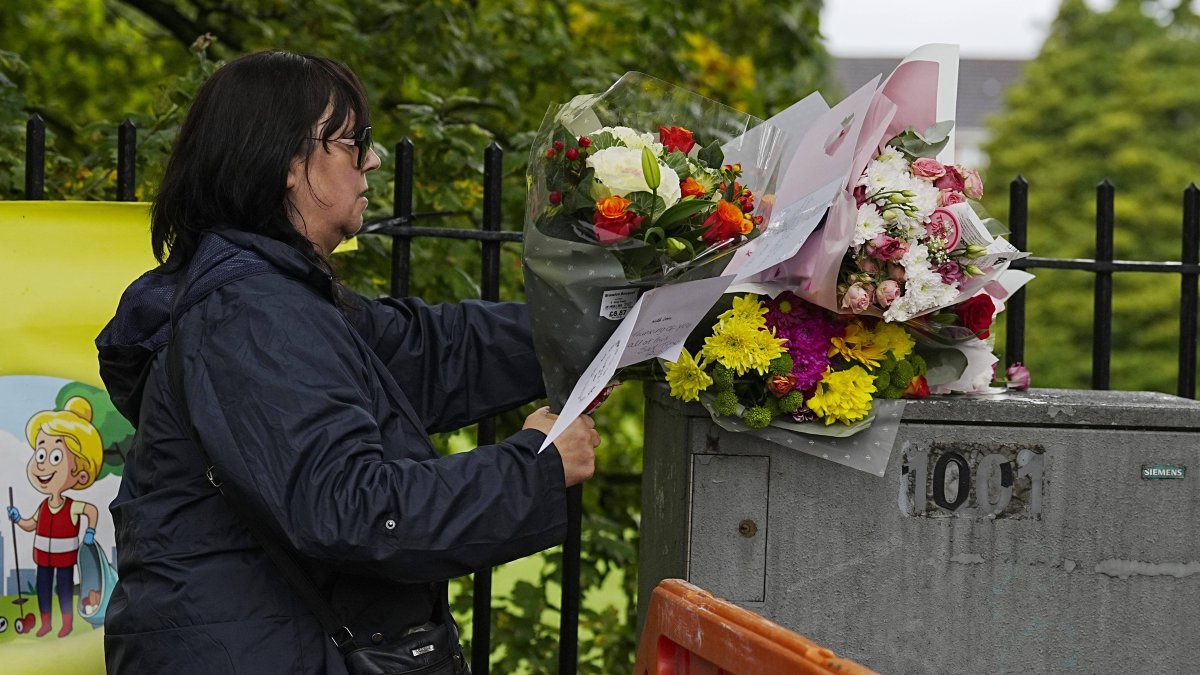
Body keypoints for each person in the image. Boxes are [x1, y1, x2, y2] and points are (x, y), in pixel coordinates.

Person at [95, 50, 598, 674]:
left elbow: (432, 353)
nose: (373, 160)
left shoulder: (278, 299)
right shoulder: (252, 316)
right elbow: (350, 509)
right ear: (287, 161)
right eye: (354, 141)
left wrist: (608, 327)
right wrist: (535, 465)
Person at [7, 396, 103, 638]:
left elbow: (91, 510)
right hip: (43, 558)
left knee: (63, 589)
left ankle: (67, 623)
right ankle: (46, 622)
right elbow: (31, 525)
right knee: (42, 589)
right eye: (41, 454)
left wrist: (90, 532)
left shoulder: (71, 506)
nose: (43, 465)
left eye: (55, 457)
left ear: (79, 473)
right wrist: (18, 519)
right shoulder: (43, 505)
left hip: (65, 559)